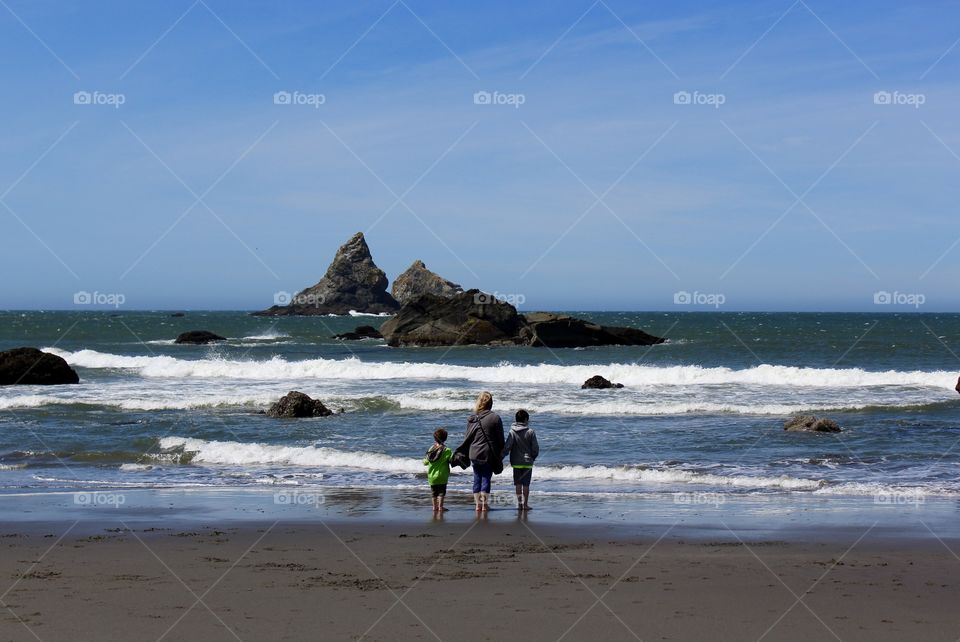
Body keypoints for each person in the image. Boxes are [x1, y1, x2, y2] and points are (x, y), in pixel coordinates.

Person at [455, 391, 504, 512]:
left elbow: (468, 437)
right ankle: (484, 506)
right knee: (486, 478)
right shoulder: (495, 418)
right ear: (491, 403)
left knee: (477, 478)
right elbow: (500, 439)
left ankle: (477, 505)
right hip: (487, 454)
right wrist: (501, 454)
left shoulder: (472, 418)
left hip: (474, 453)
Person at [502, 409, 539, 511]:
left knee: (518, 484)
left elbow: (507, 446)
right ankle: (525, 504)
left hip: (516, 462)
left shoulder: (512, 432)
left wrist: (501, 457)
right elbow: (535, 448)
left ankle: (519, 504)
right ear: (526, 419)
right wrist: (533, 457)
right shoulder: (530, 432)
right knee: (526, 484)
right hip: (527, 462)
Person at [424, 428, 452, 512]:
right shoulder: (447, 450)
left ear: (434, 438)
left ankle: (434, 507)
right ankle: (440, 507)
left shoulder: (431, 449)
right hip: (442, 475)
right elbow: (451, 460)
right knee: (441, 492)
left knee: (434, 493)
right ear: (445, 439)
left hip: (431, 475)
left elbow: (425, 462)